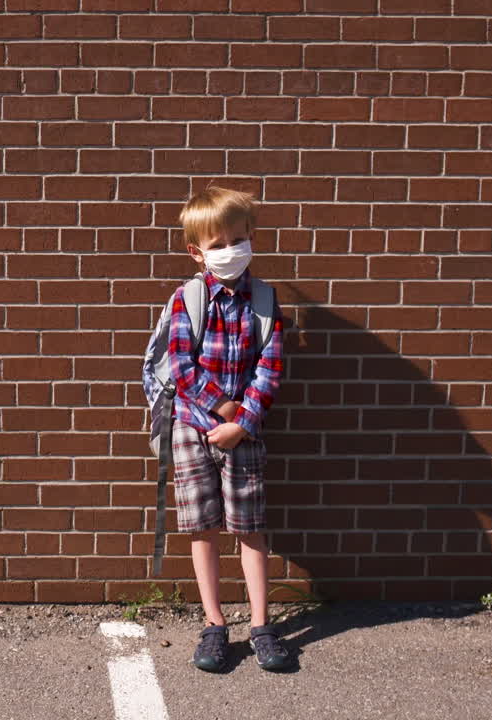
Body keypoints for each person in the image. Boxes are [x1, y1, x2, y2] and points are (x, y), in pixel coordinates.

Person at [142, 185, 292, 672]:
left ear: (251, 236)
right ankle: (213, 624)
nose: (230, 251)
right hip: (191, 427)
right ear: (197, 251)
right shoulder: (188, 299)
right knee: (203, 529)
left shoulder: (266, 302)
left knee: (249, 529)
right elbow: (181, 367)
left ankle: (261, 625)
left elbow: (270, 370)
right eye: (218, 243)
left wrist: (242, 423)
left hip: (243, 433)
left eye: (238, 239)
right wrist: (225, 410)